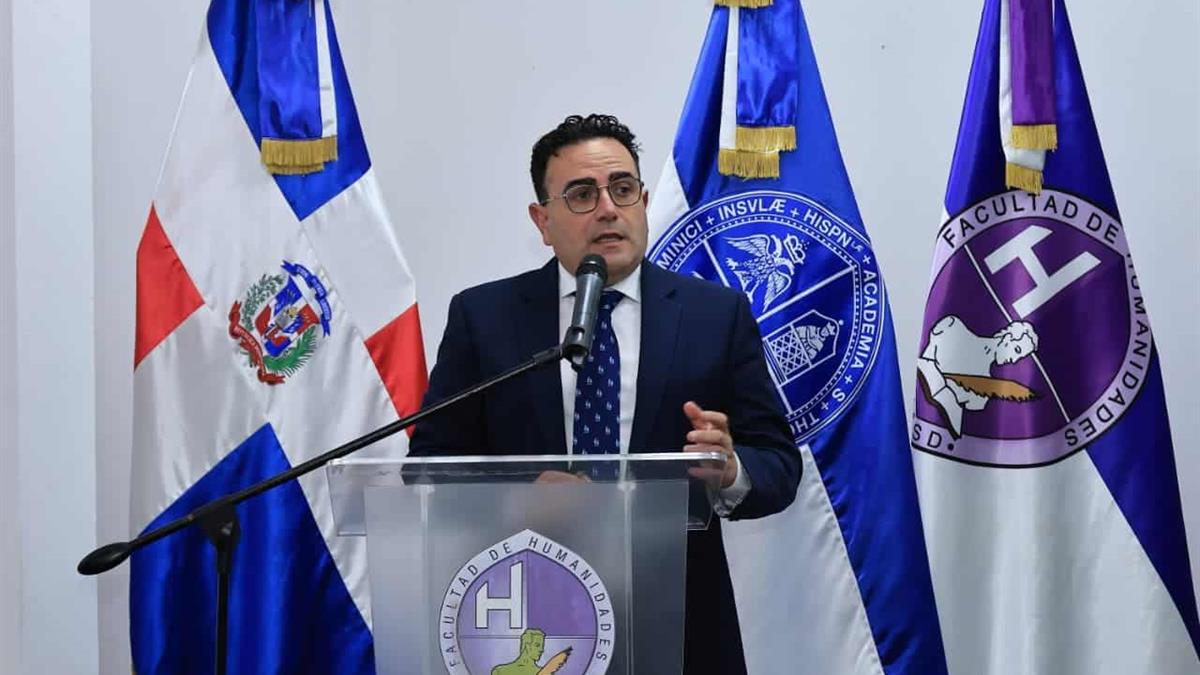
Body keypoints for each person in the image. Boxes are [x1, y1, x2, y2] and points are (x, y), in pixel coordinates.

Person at [409, 113, 801, 674]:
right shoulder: (485, 317)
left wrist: (730, 468)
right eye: (582, 194)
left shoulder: (716, 315)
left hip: (681, 624)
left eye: (622, 188)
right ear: (542, 220)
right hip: (528, 619)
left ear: (643, 202)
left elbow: (779, 465)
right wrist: (516, 498)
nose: (608, 209)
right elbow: (428, 468)